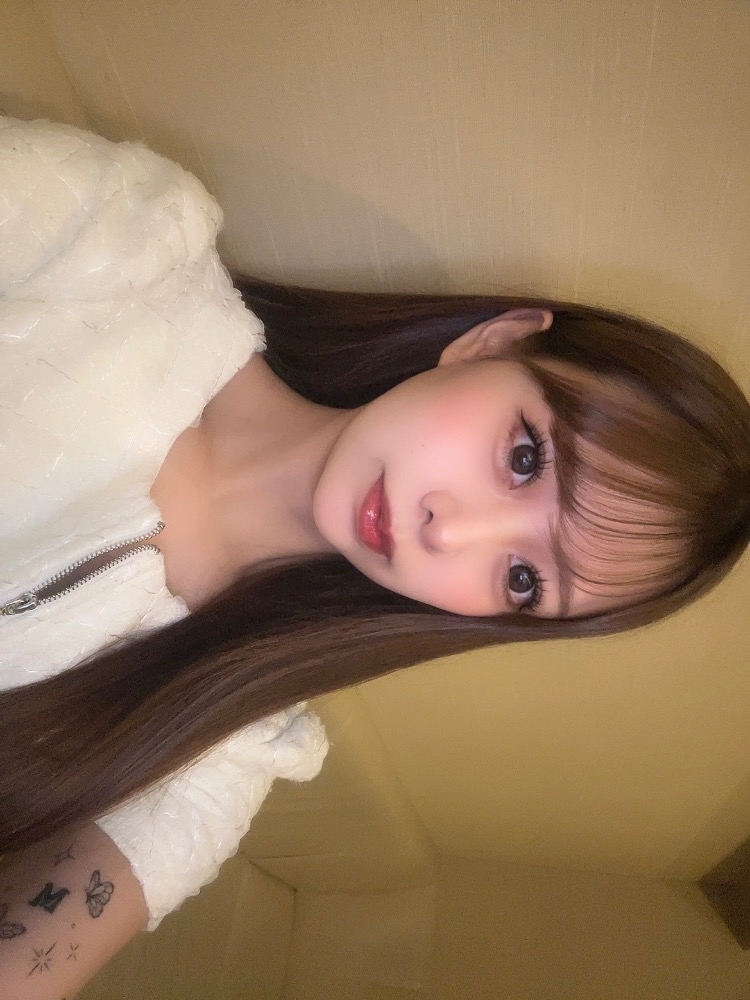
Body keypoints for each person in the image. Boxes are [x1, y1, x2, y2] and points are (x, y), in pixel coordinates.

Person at [1, 114, 748, 997]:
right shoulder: (127, 240)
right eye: (524, 458)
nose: (449, 532)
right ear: (496, 341)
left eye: (522, 579)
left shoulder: (221, 748)